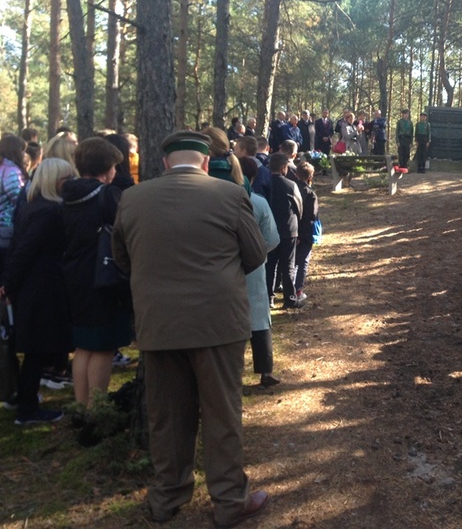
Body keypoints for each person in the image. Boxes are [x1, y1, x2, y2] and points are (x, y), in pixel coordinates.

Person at [111, 131, 269, 527]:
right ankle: (230, 500)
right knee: (222, 414)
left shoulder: (132, 198)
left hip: (158, 323)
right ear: (204, 162)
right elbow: (255, 255)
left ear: (165, 162)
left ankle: (167, 496)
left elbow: (121, 259)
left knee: (167, 416)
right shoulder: (230, 195)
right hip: (218, 324)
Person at [1, 158, 76, 425]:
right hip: (41, 287)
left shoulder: (34, 206)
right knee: (36, 351)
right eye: (67, 179)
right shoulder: (48, 212)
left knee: (35, 349)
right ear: (55, 181)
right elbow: (25, 251)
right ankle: (28, 410)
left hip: (35, 285)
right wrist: (8, 284)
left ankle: (24, 401)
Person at [62, 138, 132, 409]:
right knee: (103, 346)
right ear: (107, 168)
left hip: (75, 274)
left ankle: (81, 407)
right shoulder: (107, 195)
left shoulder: (68, 194)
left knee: (83, 346)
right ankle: (97, 410)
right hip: (104, 276)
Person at [238, 156, 281, 389]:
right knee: (259, 317)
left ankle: (231, 373)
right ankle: (265, 371)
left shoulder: (214, 201)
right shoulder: (259, 203)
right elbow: (273, 238)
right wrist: (257, 252)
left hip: (222, 269)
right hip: (254, 268)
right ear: (253, 178)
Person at [265, 153, 304, 309]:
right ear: (283, 168)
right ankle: (290, 298)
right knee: (288, 265)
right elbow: (299, 206)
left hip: (269, 229)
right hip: (289, 230)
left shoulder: (265, 184)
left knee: (270, 265)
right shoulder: (290, 185)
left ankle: (269, 298)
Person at [0, 135, 28, 272]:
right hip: (6, 226)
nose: (24, 154)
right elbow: (18, 198)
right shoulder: (10, 171)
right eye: (22, 150)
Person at [294, 161, 318, 302]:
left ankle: (288, 286)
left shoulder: (291, 188)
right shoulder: (310, 194)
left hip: (291, 230)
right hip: (304, 233)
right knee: (303, 262)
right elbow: (311, 216)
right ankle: (298, 290)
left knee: (291, 261)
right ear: (311, 176)